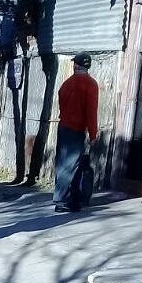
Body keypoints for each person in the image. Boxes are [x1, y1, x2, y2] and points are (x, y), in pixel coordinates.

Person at [53, 52, 99, 213]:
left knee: (63, 163)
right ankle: (61, 200)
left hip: (63, 126)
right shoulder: (90, 84)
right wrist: (93, 134)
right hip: (77, 129)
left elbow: (61, 101)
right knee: (70, 165)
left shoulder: (67, 83)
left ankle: (71, 198)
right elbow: (91, 111)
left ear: (77, 65)